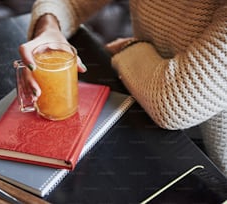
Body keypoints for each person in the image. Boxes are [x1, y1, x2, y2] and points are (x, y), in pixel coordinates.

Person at [18, 0, 227, 176]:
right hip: (148, 119)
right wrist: (48, 29)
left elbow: (176, 104)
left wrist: (126, 49)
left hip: (215, 165)